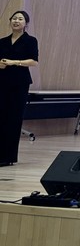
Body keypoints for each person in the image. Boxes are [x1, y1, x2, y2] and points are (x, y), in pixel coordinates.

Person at [0, 11, 39, 166]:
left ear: (25, 23)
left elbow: (34, 61)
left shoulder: (30, 41)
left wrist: (14, 62)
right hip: (2, 82)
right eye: (14, 18)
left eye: (20, 19)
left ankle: (8, 157)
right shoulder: (2, 41)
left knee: (13, 118)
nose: (16, 21)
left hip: (19, 84)